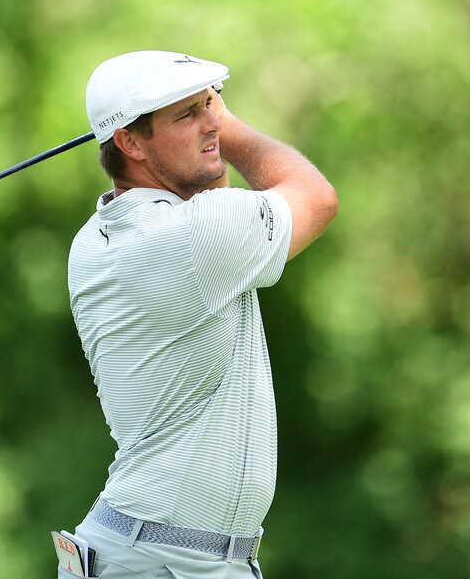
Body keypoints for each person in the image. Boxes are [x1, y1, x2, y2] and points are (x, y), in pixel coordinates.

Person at [61, 51, 338, 578]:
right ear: (130, 142)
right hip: (168, 560)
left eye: (210, 103)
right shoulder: (192, 239)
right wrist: (227, 130)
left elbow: (208, 193)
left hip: (152, 551)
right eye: (186, 113)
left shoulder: (96, 238)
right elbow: (316, 198)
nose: (210, 120)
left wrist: (200, 133)